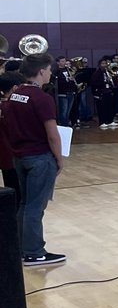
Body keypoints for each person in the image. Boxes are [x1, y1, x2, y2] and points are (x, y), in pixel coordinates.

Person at [3, 55, 65, 266]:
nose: (50, 73)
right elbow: (52, 134)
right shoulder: (42, 98)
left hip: (19, 156)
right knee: (35, 206)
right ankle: (34, 252)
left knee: (25, 203)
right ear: (41, 71)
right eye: (49, 69)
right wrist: (59, 158)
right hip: (39, 156)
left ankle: (22, 248)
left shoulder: (14, 95)